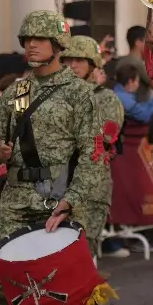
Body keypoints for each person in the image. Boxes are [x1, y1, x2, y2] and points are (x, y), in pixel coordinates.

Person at [0, 11, 116, 305]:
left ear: (59, 46)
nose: (31, 46)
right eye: (26, 40)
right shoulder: (16, 92)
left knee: (52, 286)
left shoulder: (78, 93)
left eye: (39, 40)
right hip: (19, 193)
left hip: (59, 194)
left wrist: (72, 199)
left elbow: (94, 157)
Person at [59, 34, 124, 256]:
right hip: (56, 184)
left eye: (79, 60)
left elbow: (106, 135)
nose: (72, 65)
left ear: (92, 65)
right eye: (68, 60)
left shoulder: (105, 98)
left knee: (82, 252)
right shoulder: (54, 96)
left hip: (91, 187)